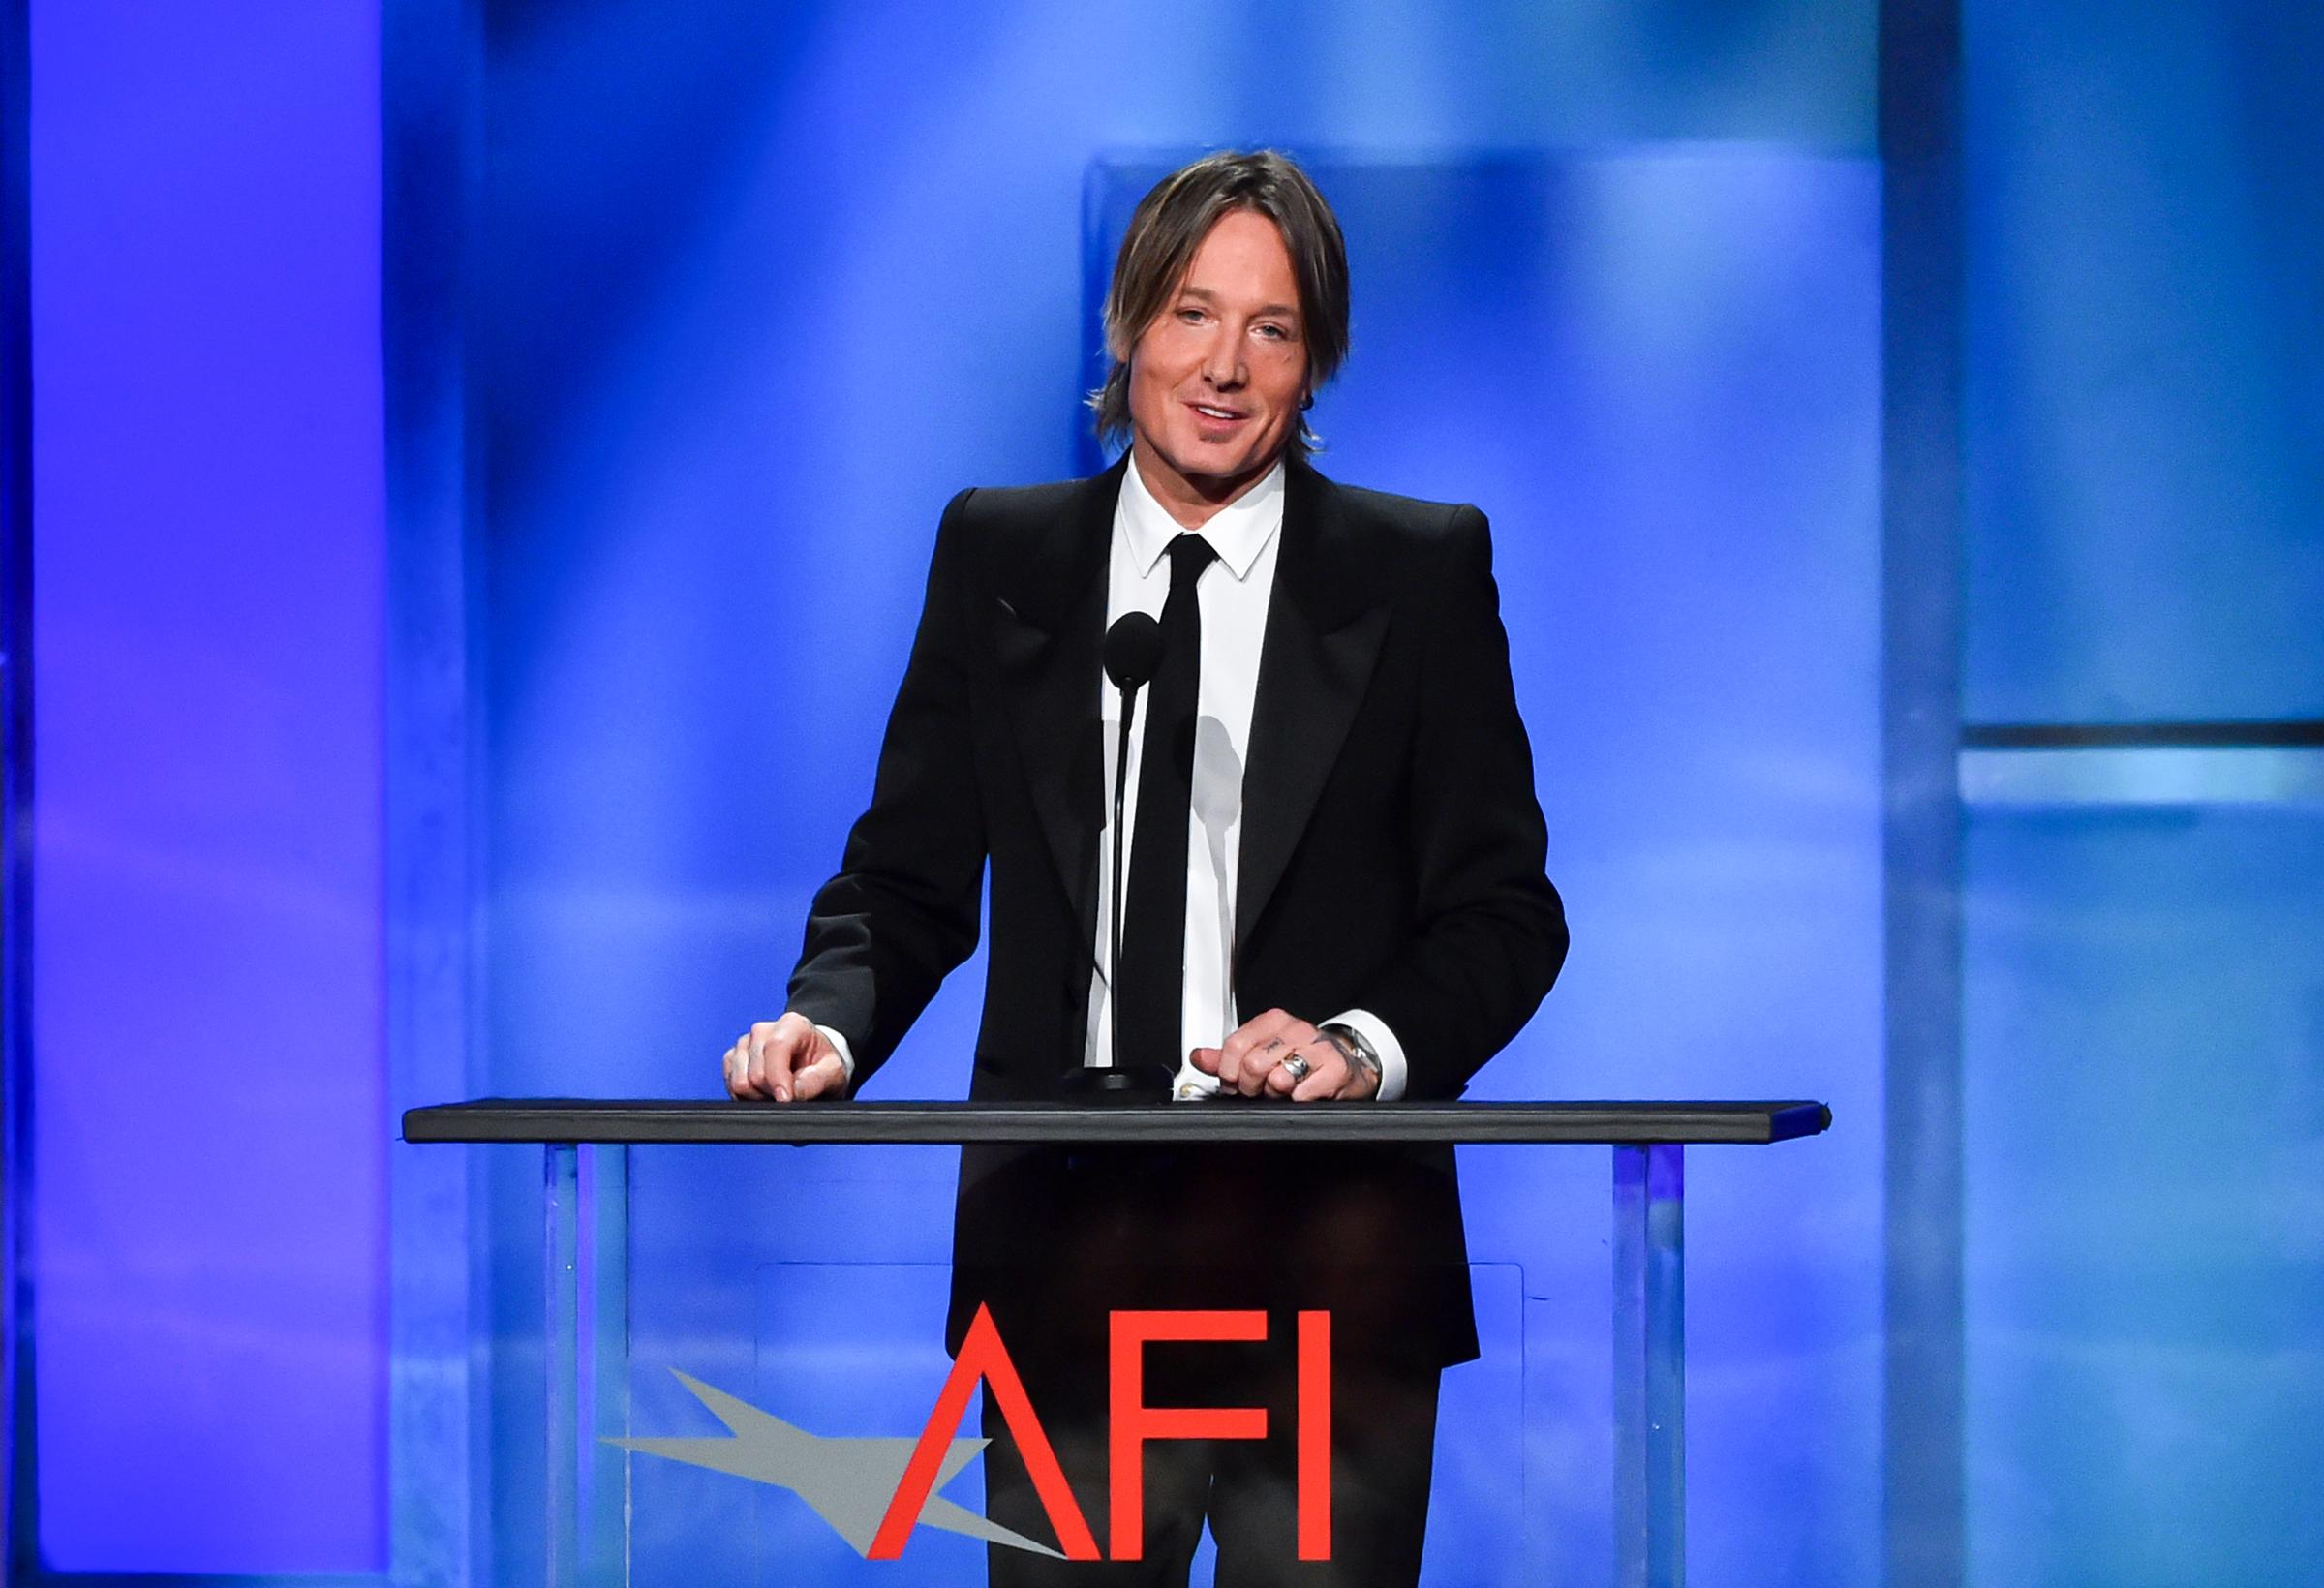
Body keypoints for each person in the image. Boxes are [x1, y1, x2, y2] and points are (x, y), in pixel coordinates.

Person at [723, 150, 1567, 1586]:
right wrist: (831, 1017)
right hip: (1069, 1272)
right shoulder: (1001, 558)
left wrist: (1363, 1050)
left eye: (1272, 327)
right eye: (1192, 312)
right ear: (1126, 327)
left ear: (1314, 364)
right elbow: (910, 876)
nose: (1225, 365)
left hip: (1333, 1280)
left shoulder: (1417, 572)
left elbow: (1505, 912)